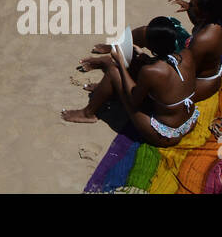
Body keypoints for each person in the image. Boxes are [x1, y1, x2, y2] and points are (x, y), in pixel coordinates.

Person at [66, 0, 222, 127]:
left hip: (197, 82)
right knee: (148, 32)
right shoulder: (218, 17)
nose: (189, 5)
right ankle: (115, 50)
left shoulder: (202, 41)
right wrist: (188, 7)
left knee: (134, 70)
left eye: (193, 4)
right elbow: (197, 26)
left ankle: (103, 95)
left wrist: (148, 62)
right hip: (193, 60)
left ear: (203, 12)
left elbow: (183, 72)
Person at [62, 16, 200, 146]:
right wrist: (145, 58)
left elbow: (134, 100)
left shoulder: (151, 71)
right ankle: (106, 90)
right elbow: (168, 73)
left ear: (152, 46)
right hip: (190, 121)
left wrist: (121, 63)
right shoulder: (187, 55)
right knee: (135, 66)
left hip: (166, 135)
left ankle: (88, 113)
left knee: (113, 71)